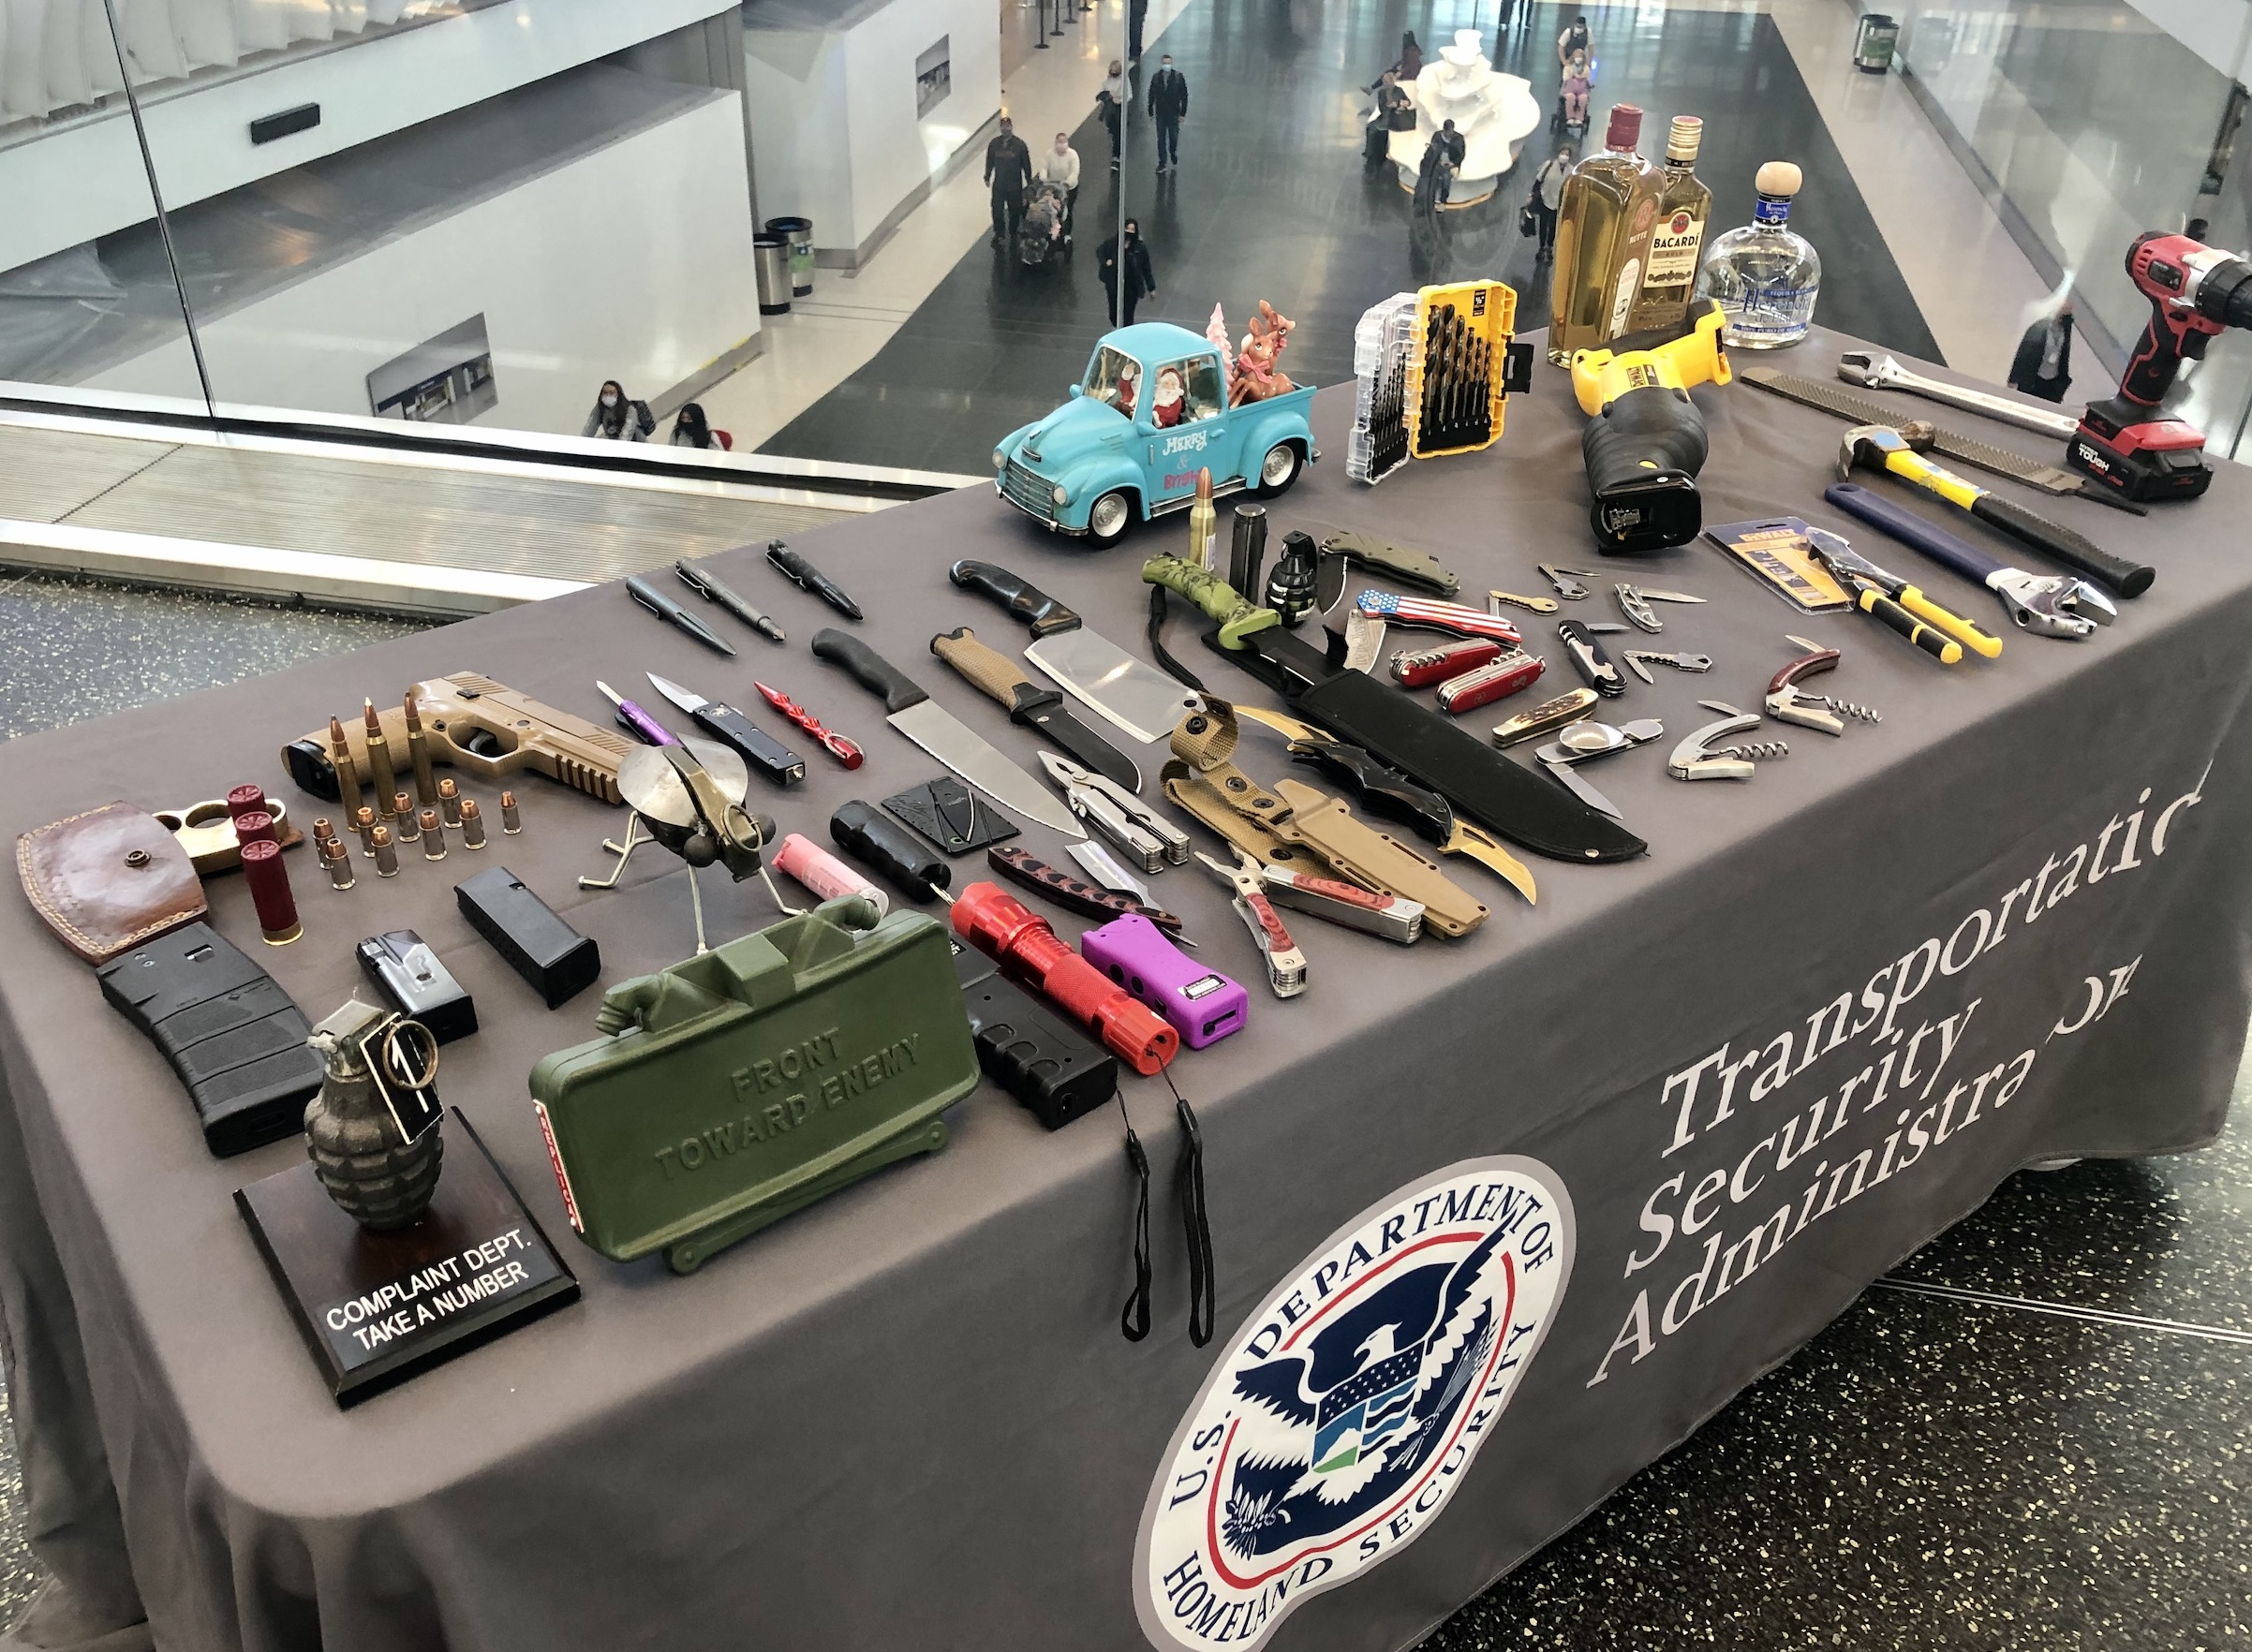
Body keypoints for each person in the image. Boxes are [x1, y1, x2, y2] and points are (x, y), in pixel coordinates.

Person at [2008, 302, 2076, 403]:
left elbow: (2064, 353)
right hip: (2034, 379)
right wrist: (2013, 378)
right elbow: (2023, 353)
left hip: (2053, 382)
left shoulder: (2065, 329)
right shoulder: (2038, 328)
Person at [985, 116, 1032, 248]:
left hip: (1014, 185)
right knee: (997, 210)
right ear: (1000, 128)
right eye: (1003, 126)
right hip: (999, 185)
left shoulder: (1020, 145)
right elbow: (989, 161)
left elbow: (1026, 164)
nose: (1005, 128)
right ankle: (999, 233)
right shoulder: (994, 144)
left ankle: (1013, 230)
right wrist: (987, 176)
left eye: (1007, 126)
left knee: (1014, 210)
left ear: (1011, 127)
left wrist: (1029, 181)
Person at [1098, 218, 1157, 326]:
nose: (1130, 232)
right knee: (1114, 311)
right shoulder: (1113, 243)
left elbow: (1146, 268)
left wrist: (1151, 288)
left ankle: (1125, 330)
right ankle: (1116, 326)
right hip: (1114, 283)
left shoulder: (1140, 248)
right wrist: (1106, 262)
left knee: (1128, 314)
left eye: (1132, 229)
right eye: (1128, 229)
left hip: (1132, 286)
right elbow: (1100, 251)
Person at [1530, 143, 1573, 260]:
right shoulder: (1549, 165)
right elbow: (1538, 180)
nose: (1564, 156)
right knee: (1543, 223)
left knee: (1554, 225)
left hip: (1559, 203)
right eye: (1562, 153)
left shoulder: (1571, 170)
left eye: (1567, 154)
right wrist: (1532, 194)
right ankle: (1542, 245)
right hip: (1545, 199)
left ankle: (1549, 245)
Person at [1148, 52, 1189, 174]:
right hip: (1161, 113)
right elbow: (1151, 94)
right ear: (1161, 64)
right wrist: (1150, 110)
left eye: (1168, 63)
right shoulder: (1156, 78)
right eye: (1165, 63)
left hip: (1173, 113)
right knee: (1161, 139)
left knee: (1173, 137)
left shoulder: (1178, 77)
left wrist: (1183, 113)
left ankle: (1172, 151)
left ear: (1171, 64)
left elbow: (1184, 96)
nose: (1167, 65)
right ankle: (1162, 163)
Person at [1039, 131, 1081, 236]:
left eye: (1064, 142)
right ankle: (1053, 231)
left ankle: (1067, 234)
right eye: (1060, 142)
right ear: (1055, 142)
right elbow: (1044, 167)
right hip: (1054, 188)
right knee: (1053, 210)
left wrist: (1067, 183)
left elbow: (1075, 172)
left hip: (1069, 188)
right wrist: (1043, 178)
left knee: (1068, 210)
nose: (1062, 145)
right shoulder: (1049, 154)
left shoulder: (1073, 155)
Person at [582, 380, 648, 441]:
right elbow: (590, 428)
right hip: (615, 443)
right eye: (605, 393)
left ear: (618, 394)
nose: (608, 395)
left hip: (637, 443)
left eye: (612, 393)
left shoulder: (629, 409)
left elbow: (627, 433)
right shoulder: (600, 409)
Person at [1432, 118, 1466, 205]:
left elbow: (1461, 155)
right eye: (1447, 131)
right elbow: (1431, 151)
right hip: (1438, 163)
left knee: (1446, 180)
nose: (1448, 134)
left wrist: (1453, 163)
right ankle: (1431, 199)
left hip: (1452, 165)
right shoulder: (1437, 136)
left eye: (1450, 131)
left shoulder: (1459, 138)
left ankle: (1442, 202)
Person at [1561, 52, 1591, 128]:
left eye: (1580, 57)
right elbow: (1565, 79)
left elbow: (1589, 80)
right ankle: (1570, 117)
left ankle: (1579, 118)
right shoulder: (1568, 68)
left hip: (1582, 90)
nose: (1578, 59)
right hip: (1569, 89)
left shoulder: (1586, 68)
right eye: (1577, 57)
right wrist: (1573, 75)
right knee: (1570, 97)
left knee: (1583, 98)